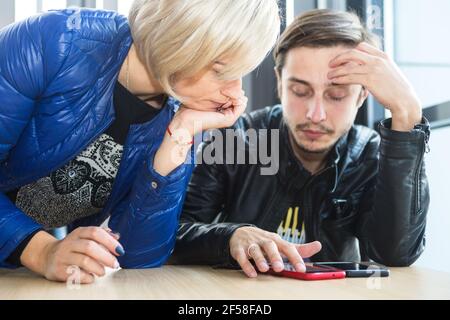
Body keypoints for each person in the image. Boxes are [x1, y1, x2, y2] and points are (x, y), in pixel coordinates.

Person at [0, 0, 281, 283]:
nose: (236, 94)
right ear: (180, 39)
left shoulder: (182, 114)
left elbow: (140, 256)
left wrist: (179, 136)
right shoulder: (54, 41)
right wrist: (43, 251)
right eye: (222, 71)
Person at [173, 9, 430, 278]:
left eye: (336, 95)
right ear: (279, 83)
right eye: (300, 91)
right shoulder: (238, 138)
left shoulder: (369, 154)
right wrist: (231, 237)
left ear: (362, 96)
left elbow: (396, 254)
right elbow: (173, 234)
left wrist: (406, 114)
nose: (315, 114)